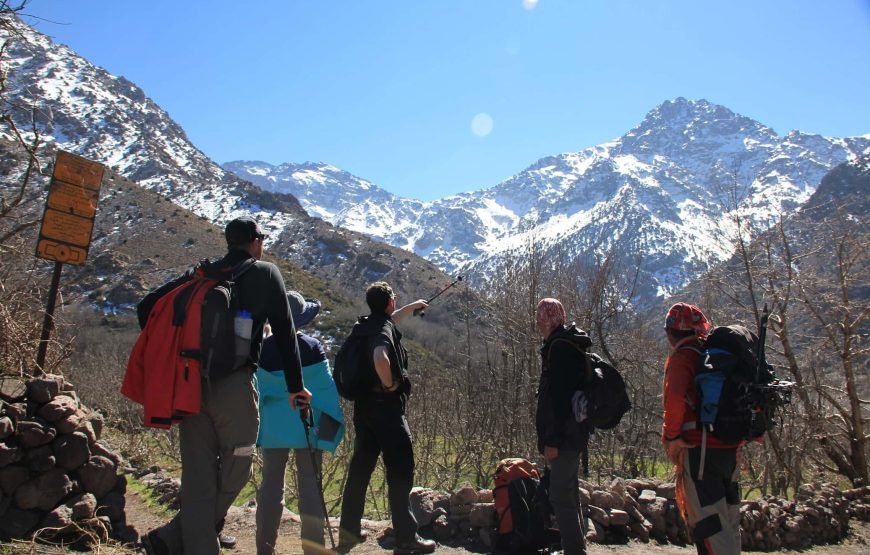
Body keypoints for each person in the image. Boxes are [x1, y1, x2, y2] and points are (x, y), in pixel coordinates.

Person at [142, 216, 312, 555]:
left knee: (198, 477)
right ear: (255, 241)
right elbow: (284, 332)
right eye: (261, 238)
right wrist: (296, 386)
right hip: (234, 385)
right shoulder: (265, 273)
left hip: (189, 386)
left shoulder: (202, 273)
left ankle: (181, 540)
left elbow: (146, 307)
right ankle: (176, 535)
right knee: (239, 463)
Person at [338, 282, 436, 555]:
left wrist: (413, 307)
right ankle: (406, 539)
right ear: (389, 302)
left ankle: (349, 532)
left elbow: (388, 321)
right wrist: (391, 383)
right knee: (401, 471)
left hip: (364, 410)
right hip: (387, 412)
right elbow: (380, 355)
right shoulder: (382, 330)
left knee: (360, 470)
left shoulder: (366, 325)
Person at [255, 291, 346, 555]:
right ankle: (314, 549)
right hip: (308, 425)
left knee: (270, 487)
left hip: (273, 429)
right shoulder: (311, 347)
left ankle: (265, 548)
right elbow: (326, 391)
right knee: (310, 487)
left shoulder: (261, 349)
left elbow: (256, 388)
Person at [661, 302, 741, 554]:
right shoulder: (714, 356)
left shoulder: (684, 357)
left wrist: (672, 437)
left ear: (670, 333)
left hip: (700, 450)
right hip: (729, 448)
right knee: (728, 521)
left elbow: (674, 400)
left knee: (709, 524)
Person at [535, 298, 589, 555]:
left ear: (548, 319)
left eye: (540, 316)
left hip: (564, 437)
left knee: (560, 496)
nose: (537, 321)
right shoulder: (567, 344)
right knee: (569, 491)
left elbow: (558, 400)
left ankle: (574, 551)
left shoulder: (559, 349)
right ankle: (576, 547)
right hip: (574, 433)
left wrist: (552, 440)